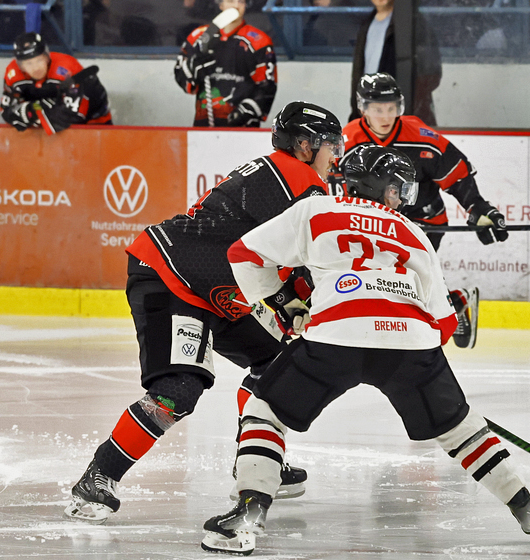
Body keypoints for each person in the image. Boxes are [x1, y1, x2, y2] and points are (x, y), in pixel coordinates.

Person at [200, 145, 530, 555]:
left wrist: (285, 303)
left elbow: (243, 254)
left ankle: (248, 514)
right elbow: (443, 324)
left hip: (336, 334)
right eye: (400, 189)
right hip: (411, 342)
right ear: (387, 190)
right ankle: (527, 508)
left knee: (265, 412)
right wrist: (421, 366)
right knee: (461, 430)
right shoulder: (413, 232)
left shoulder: (317, 210)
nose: (402, 198)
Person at [63, 102, 342, 523]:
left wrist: (294, 297)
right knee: (177, 389)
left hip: (214, 289)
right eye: (329, 145)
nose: (335, 155)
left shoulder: (285, 175)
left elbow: (275, 258)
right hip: (172, 279)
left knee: (278, 363)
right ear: (305, 145)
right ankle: (100, 474)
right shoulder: (302, 181)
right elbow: (316, 257)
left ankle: (257, 458)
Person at [343, 72, 507, 257]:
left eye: (391, 108)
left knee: (408, 271)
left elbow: (457, 176)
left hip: (422, 221)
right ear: (363, 108)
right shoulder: (348, 142)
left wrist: (477, 207)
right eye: (378, 110)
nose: (386, 117)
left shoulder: (422, 138)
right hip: (369, 222)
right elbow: (331, 185)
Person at [175, 0, 278, 126]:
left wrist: (246, 112)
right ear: (220, 4)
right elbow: (184, 80)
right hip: (205, 123)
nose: (235, 6)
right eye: (230, 1)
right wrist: (193, 66)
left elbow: (266, 86)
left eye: (240, 1)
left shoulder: (259, 41)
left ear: (246, 5)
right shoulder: (199, 37)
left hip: (243, 126)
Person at [349, 0, 442, 125]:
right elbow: (358, 75)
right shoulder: (365, 26)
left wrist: (402, 107)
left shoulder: (413, 25)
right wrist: (357, 115)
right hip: (370, 118)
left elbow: (431, 73)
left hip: (403, 119)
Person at [0, 32, 111, 132]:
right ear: (21, 66)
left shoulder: (67, 68)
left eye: (39, 60)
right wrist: (38, 109)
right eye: (29, 63)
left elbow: (71, 116)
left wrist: (32, 111)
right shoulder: (13, 74)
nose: (36, 68)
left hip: (94, 120)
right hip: (50, 126)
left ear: (46, 57)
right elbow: (7, 111)